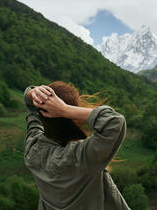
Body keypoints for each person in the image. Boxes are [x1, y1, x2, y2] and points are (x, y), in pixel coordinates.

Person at [24, 81, 130, 210]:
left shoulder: (32, 150)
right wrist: (66, 110)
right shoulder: (82, 157)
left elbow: (30, 109)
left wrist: (32, 93)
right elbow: (115, 121)